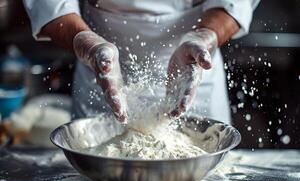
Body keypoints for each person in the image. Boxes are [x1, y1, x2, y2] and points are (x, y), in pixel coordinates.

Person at [23, 0, 259, 124]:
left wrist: (205, 36)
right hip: (100, 75)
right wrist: (88, 44)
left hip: (195, 80)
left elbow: (234, 2)